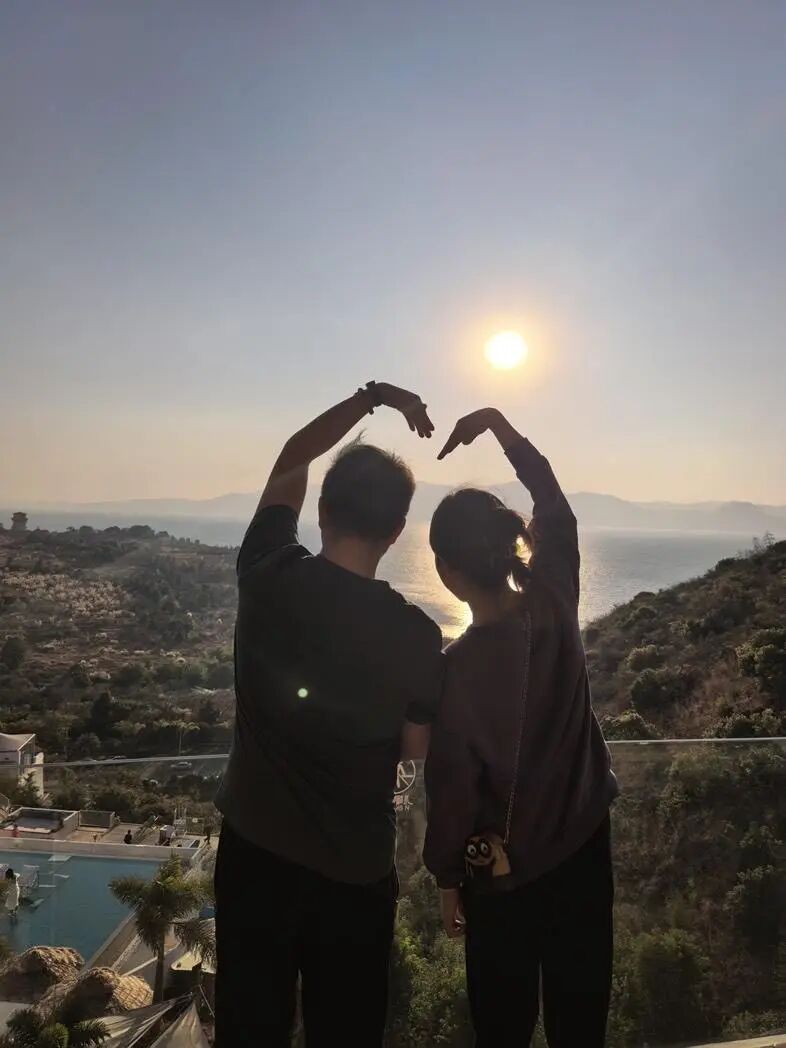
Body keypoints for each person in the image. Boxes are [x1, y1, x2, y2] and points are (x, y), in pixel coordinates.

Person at [215, 382, 443, 1047]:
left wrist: (375, 397)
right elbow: (416, 748)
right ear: (397, 531)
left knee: (248, 1030)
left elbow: (294, 453)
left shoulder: (266, 572)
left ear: (321, 512)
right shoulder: (416, 636)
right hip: (354, 871)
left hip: (255, 855)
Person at [424, 408, 618, 1048]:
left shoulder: (456, 671)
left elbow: (453, 791)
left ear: (447, 573)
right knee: (580, 1022)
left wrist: (448, 880)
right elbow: (554, 507)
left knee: (502, 1029)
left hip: (502, 877)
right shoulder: (555, 597)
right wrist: (499, 426)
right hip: (584, 849)